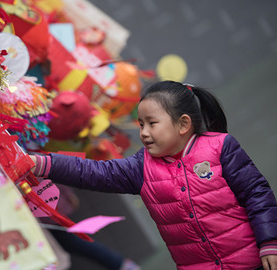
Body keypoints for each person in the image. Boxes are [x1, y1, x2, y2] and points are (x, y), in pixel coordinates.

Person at [30, 81, 277, 270]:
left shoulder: (221, 147)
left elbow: (258, 196)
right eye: (140, 124)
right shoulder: (141, 168)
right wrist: (40, 163)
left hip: (255, 262)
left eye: (152, 123)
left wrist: (269, 243)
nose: (144, 133)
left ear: (183, 124)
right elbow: (92, 172)